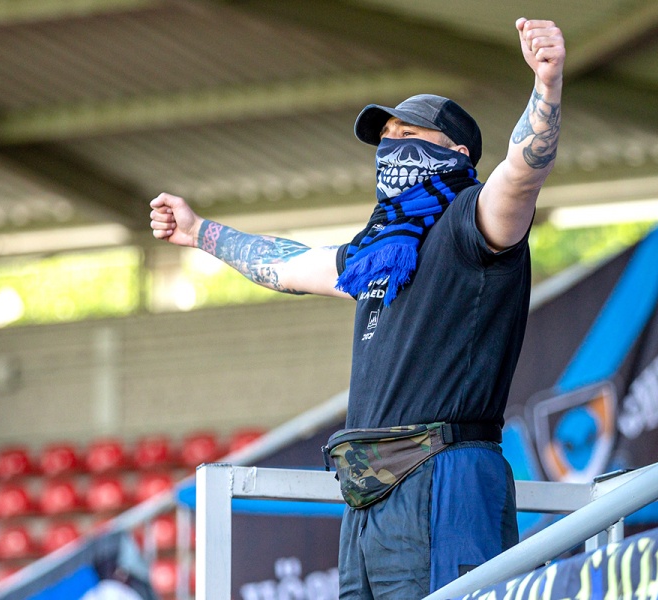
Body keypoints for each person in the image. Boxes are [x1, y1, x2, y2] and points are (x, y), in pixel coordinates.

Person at [150, 17, 565, 599]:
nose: (392, 146)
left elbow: (521, 175)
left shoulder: (472, 221)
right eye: (386, 137)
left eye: (409, 134)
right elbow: (288, 264)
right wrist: (200, 233)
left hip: (444, 477)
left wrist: (547, 84)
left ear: (458, 153)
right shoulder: (375, 253)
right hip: (369, 496)